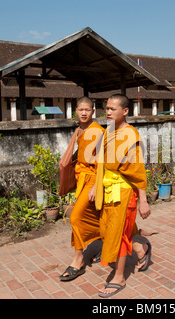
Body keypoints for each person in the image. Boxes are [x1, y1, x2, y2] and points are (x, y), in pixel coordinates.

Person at [95, 94, 152, 298]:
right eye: (107, 108)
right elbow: (100, 161)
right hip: (107, 189)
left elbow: (138, 172)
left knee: (118, 234)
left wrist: (143, 201)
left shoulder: (130, 135)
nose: (108, 112)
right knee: (107, 230)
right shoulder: (108, 131)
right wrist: (96, 185)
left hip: (125, 192)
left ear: (125, 111)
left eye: (113, 109)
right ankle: (141, 247)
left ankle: (119, 277)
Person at [58, 96, 104, 281]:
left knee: (75, 217)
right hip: (81, 178)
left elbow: (102, 161)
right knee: (95, 216)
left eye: (87, 110)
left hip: (93, 178)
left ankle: (78, 260)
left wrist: (96, 185)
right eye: (80, 110)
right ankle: (108, 236)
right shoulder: (79, 130)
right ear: (75, 111)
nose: (84, 113)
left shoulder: (98, 131)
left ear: (93, 111)